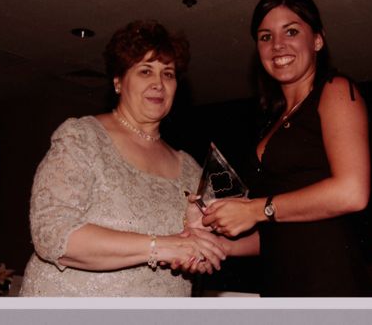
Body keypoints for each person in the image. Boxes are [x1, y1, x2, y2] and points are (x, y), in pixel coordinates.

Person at [19, 20, 225, 297]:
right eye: (145, 71)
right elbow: (53, 234)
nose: (158, 83)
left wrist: (200, 247)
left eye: (168, 73)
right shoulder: (82, 137)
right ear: (118, 81)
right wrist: (161, 245)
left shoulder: (190, 167)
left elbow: (213, 242)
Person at [194, 0, 372, 297]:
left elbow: (352, 193)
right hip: (280, 287)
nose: (277, 45)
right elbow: (280, 231)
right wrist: (221, 246)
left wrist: (253, 210)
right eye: (265, 37)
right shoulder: (271, 122)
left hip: (329, 285)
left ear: (317, 40)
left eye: (291, 31)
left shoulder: (336, 90)